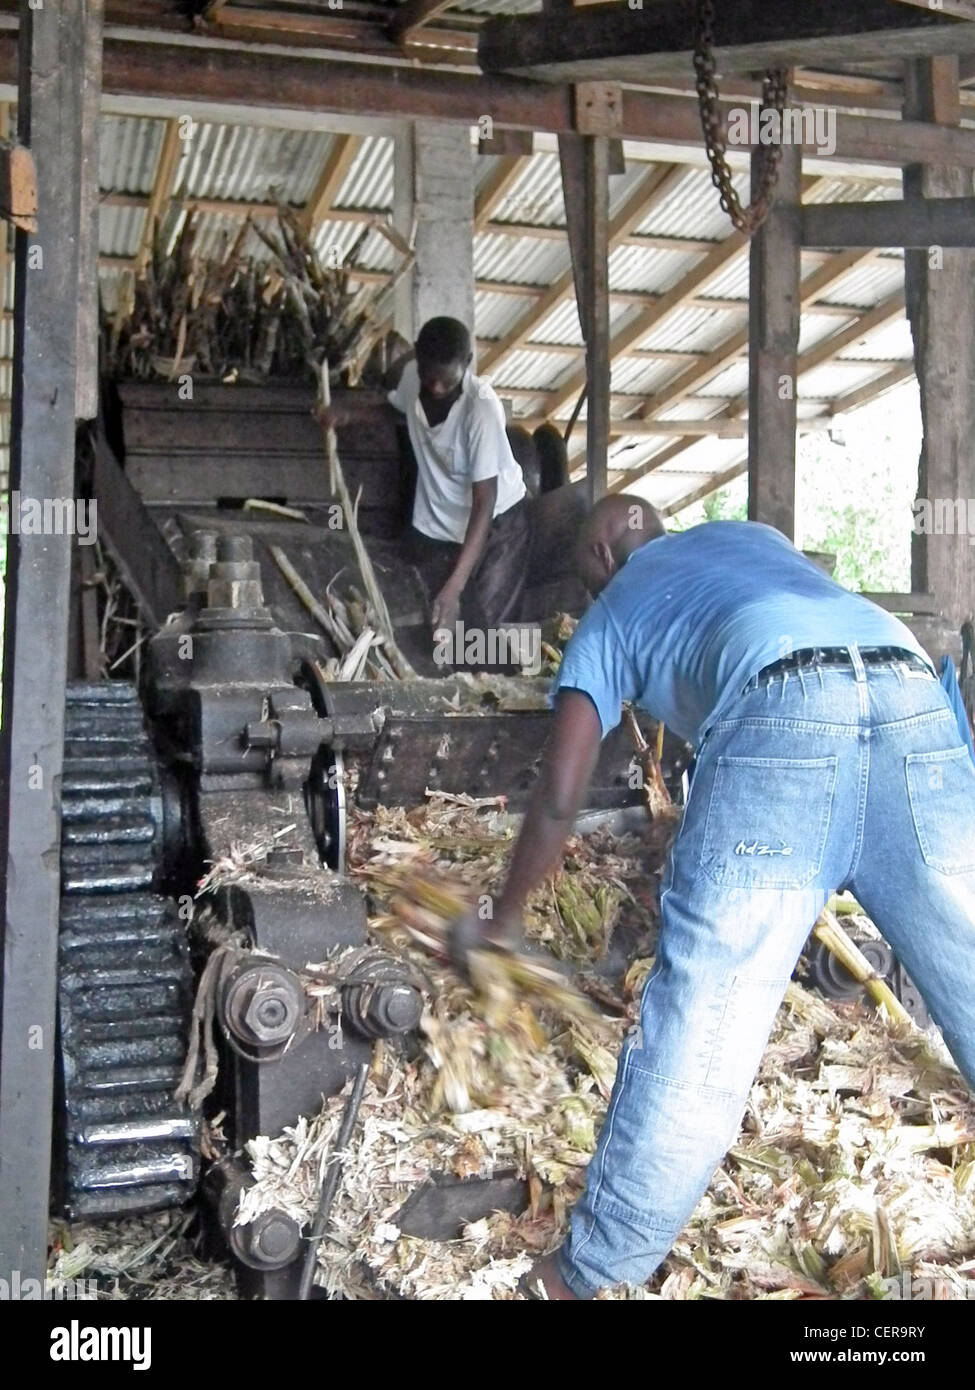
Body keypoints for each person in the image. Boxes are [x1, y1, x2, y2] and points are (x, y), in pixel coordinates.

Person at [456, 494, 975, 1300]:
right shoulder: (754, 535)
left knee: (705, 1023)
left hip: (781, 712)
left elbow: (560, 793)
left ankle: (583, 1277)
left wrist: (503, 922)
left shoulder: (610, 614)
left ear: (597, 557)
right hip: (913, 693)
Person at [387, 316, 531, 635]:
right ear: (417, 357)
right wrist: (345, 414)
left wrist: (454, 586)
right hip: (445, 525)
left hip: (498, 524)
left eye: (446, 380)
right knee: (441, 620)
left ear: (466, 363)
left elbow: (485, 501)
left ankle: (492, 681)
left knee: (489, 629)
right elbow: (397, 408)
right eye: (429, 377)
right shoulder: (413, 377)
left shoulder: (480, 409)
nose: (436, 387)